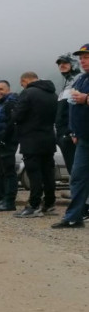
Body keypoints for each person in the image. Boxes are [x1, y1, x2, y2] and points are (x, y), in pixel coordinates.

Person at [51, 44, 89, 228]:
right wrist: (73, 131)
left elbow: (81, 101)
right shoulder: (80, 79)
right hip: (83, 139)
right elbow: (73, 109)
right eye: (81, 58)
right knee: (77, 177)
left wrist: (86, 99)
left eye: (86, 57)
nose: (83, 61)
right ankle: (74, 217)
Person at [12, 71, 58, 217]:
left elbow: (17, 115)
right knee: (48, 172)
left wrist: (13, 113)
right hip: (49, 138)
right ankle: (49, 203)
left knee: (34, 173)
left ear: (25, 81)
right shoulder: (53, 94)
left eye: (22, 84)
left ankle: (34, 204)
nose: (22, 86)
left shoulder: (28, 93)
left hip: (31, 139)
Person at [0, 80, 20, 211]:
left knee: (9, 173)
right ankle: (5, 199)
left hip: (7, 144)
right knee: (5, 172)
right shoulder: (2, 104)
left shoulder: (10, 104)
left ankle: (9, 202)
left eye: (1, 89)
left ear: (8, 90)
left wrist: (4, 140)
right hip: (1, 144)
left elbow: (12, 125)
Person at [54, 53, 79, 174]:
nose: (61, 65)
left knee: (77, 170)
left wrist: (71, 132)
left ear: (73, 64)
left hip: (71, 135)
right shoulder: (65, 84)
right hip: (63, 135)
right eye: (59, 63)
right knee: (72, 169)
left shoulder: (79, 80)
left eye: (65, 62)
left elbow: (77, 109)